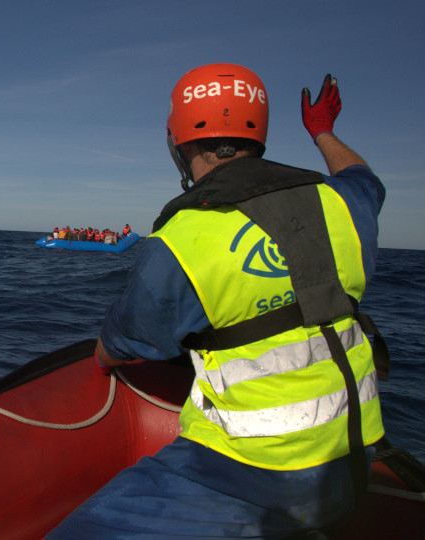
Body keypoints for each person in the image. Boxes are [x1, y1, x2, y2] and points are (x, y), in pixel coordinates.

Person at [47, 64, 386, 538]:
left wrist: (101, 359)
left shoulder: (184, 238)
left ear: (178, 144)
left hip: (254, 476)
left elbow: (121, 343)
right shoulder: (344, 204)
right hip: (351, 463)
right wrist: (322, 131)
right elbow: (363, 177)